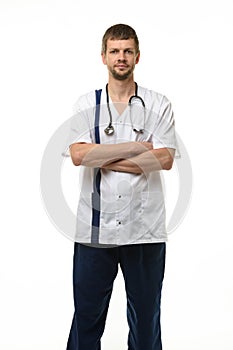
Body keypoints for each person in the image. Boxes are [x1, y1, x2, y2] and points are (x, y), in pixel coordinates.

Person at [66, 23, 177, 350]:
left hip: (145, 230)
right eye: (114, 51)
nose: (121, 57)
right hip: (94, 231)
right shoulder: (87, 103)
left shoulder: (158, 104)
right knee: (86, 317)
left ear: (137, 56)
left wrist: (101, 156)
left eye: (127, 51)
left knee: (145, 320)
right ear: (103, 56)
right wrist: (139, 148)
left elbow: (166, 159)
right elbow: (78, 154)